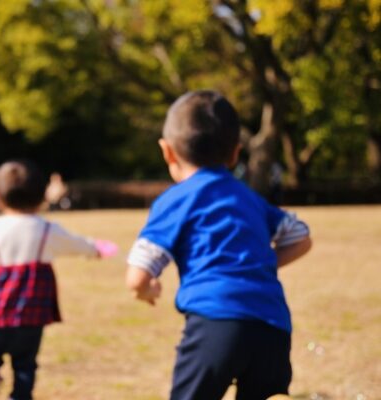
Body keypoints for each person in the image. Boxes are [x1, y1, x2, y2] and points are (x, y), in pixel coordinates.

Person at [126, 90, 312, 400]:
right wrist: (258, 263)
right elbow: (301, 237)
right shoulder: (250, 198)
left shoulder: (175, 200)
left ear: (167, 152)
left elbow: (137, 276)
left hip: (215, 324)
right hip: (273, 326)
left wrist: (146, 291)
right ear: (235, 154)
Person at [0, 160, 117, 400]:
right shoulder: (47, 230)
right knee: (26, 365)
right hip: (31, 314)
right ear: (42, 197)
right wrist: (96, 249)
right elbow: (75, 243)